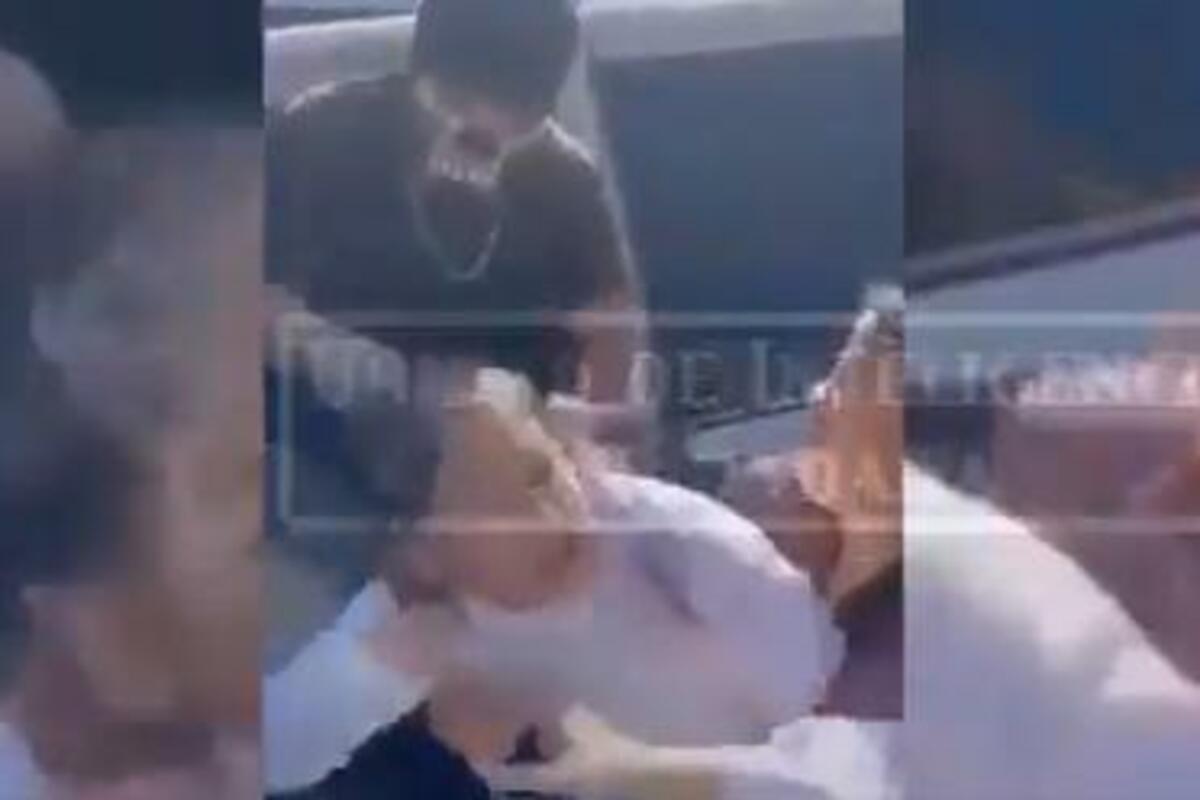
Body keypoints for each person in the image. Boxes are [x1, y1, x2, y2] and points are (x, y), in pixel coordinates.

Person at [264, 369, 845, 793]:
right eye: (499, 509)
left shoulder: (666, 542)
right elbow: (274, 749)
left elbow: (832, 726)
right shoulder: (425, 621)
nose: (550, 515)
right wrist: (372, 671)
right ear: (427, 555)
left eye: (542, 474)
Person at [268, 0, 644, 403]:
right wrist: (359, 368)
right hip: (335, 408)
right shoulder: (322, 133)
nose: (483, 129)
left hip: (512, 416)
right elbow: (248, 295)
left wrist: (592, 419)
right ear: (422, 77)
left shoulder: (566, 177)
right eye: (459, 101)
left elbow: (610, 324)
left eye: (516, 114)